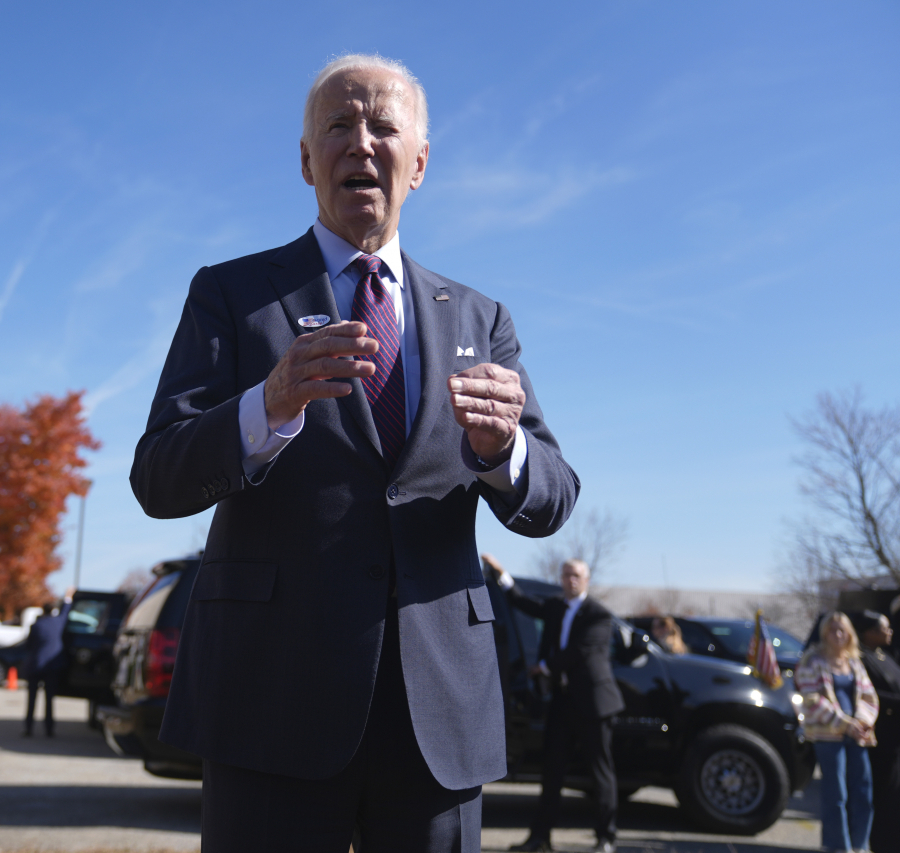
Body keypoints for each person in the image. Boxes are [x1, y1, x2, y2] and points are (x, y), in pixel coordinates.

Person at [131, 54, 579, 852]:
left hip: (437, 712)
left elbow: (553, 495)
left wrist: (503, 449)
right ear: (307, 159)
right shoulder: (232, 296)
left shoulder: (482, 317)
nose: (360, 142)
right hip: (271, 700)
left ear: (421, 162)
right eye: (337, 125)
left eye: (383, 126)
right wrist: (263, 408)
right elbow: (158, 475)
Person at [484, 555, 622, 853]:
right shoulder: (555, 607)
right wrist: (502, 575)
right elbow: (523, 602)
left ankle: (606, 838)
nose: (571, 579)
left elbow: (580, 652)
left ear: (586, 580)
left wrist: (543, 667)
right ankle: (540, 839)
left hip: (595, 705)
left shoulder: (598, 614)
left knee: (600, 772)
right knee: (552, 771)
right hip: (563, 702)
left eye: (576, 575)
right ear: (561, 579)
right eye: (566, 575)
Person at [795, 611, 878, 853]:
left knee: (863, 791)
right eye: (833, 630)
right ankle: (836, 846)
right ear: (824, 633)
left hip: (857, 735)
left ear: (850, 634)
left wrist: (861, 721)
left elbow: (869, 696)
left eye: (842, 630)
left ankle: (859, 845)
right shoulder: (812, 660)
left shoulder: (854, 662)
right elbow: (811, 699)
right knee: (836, 794)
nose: (838, 634)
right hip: (827, 735)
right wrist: (844, 723)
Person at [852, 611, 899, 853]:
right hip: (880, 740)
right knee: (882, 796)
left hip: (896, 742)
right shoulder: (861, 660)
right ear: (869, 633)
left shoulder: (886, 656)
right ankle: (880, 844)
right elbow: (869, 697)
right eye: (884, 628)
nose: (889, 632)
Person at [23, 587, 75, 737]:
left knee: (31, 699)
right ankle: (49, 729)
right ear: (53, 610)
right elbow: (65, 611)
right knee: (49, 700)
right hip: (52, 666)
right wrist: (68, 596)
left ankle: (28, 728)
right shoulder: (58, 623)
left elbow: (28, 646)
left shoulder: (36, 625)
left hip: (35, 665)